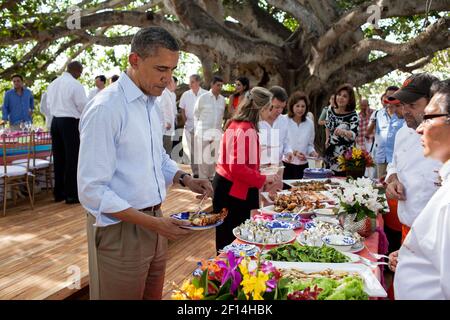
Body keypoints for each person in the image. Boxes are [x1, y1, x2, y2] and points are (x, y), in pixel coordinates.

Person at [78, 27, 213, 300]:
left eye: (172, 70)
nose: (167, 78)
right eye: (161, 68)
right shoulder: (106, 108)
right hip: (121, 230)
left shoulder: (151, 101)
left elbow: (157, 158)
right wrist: (152, 224)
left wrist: (184, 179)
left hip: (155, 220)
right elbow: (92, 190)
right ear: (134, 60)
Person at [390, 79, 450, 299]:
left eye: (429, 117)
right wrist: (413, 254)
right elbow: (394, 164)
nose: (420, 129)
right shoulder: (402, 134)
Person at [213, 86, 275, 252]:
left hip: (230, 186)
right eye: (270, 108)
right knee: (230, 240)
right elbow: (237, 168)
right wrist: (262, 178)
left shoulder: (239, 124)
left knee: (231, 238)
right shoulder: (244, 128)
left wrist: (258, 167)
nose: (271, 112)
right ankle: (226, 276)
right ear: (261, 108)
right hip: (230, 190)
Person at [385, 73, 441, 243]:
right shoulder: (403, 133)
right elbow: (393, 165)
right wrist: (393, 180)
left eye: (412, 105)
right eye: (403, 105)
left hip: (438, 237)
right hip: (408, 230)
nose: (405, 111)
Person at [47, 61, 88, 204]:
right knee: (73, 158)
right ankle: (71, 195)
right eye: (80, 72)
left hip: (55, 122)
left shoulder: (53, 84)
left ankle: (59, 193)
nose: (80, 75)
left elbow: (47, 105)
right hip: (69, 122)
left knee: (59, 159)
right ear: (76, 71)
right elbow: (83, 106)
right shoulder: (75, 85)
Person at [259, 86, 293, 192]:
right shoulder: (257, 121)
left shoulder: (284, 121)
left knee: (273, 202)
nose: (279, 111)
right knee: (256, 201)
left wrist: (288, 152)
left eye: (282, 107)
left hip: (277, 166)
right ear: (268, 103)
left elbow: (286, 141)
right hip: (259, 168)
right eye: (276, 107)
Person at [193, 76, 226, 181]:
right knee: (203, 158)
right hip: (203, 132)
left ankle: (212, 178)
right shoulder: (203, 98)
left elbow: (221, 116)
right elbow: (196, 114)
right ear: (212, 84)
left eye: (221, 85)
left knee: (214, 156)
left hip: (216, 132)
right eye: (218, 85)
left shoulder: (222, 100)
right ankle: (203, 180)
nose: (220, 87)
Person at [324, 84, 359, 176]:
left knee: (343, 182)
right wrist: (327, 139)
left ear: (349, 100)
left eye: (345, 96)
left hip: (346, 155)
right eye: (339, 95)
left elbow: (354, 135)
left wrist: (344, 132)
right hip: (331, 153)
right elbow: (327, 126)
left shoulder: (353, 115)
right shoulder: (330, 110)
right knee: (329, 181)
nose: (340, 98)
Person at [282, 91, 318, 180]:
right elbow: (281, 143)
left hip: (303, 167)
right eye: (297, 106)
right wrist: (294, 152)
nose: (300, 109)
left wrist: (312, 152)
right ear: (292, 106)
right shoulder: (283, 120)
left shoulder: (309, 123)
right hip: (286, 165)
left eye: (303, 106)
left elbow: (310, 145)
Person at [367, 86, 399, 178]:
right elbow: (369, 132)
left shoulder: (403, 114)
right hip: (381, 157)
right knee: (380, 186)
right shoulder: (378, 114)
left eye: (394, 96)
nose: (391, 99)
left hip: (396, 159)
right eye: (388, 96)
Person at [179, 74, 207, 177]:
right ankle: (195, 173)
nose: (189, 84)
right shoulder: (185, 94)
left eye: (192, 82)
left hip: (202, 127)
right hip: (190, 126)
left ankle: (204, 172)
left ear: (198, 82)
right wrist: (185, 120)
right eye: (189, 82)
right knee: (193, 151)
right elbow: (182, 108)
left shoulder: (206, 94)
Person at [156, 76, 178, 155]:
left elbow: (172, 110)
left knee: (168, 150)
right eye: (172, 82)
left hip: (170, 128)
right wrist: (166, 122)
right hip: (165, 128)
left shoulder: (170, 94)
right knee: (165, 151)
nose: (174, 85)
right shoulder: (164, 93)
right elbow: (161, 109)